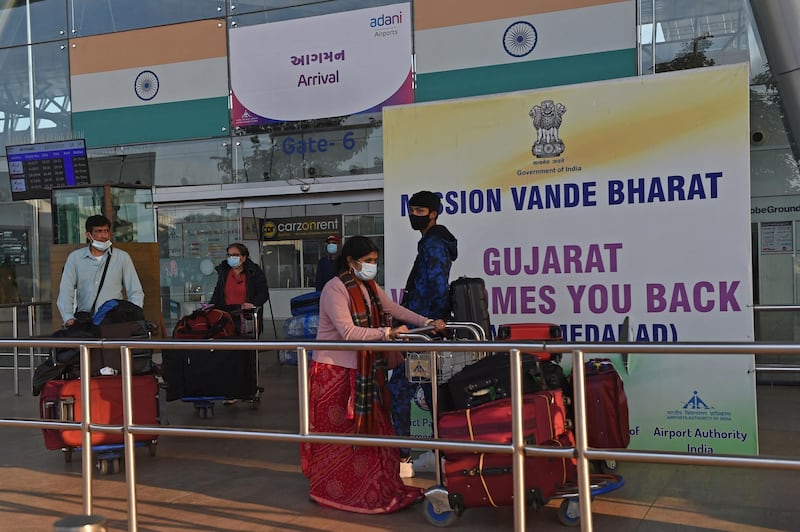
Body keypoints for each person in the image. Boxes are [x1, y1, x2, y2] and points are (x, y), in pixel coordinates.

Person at [301, 235, 446, 514]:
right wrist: (387, 333)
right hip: (335, 373)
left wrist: (426, 322)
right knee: (341, 437)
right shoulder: (335, 289)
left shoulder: (368, 286)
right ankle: (330, 490)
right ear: (351, 261)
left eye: (375, 262)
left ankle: (374, 486)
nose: (372, 266)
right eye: (368, 262)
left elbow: (394, 309)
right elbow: (348, 332)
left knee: (371, 432)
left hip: (364, 371)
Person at [390, 190, 458, 477]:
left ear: (433, 213)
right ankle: (444, 454)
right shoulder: (432, 242)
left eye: (420, 211)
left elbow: (436, 285)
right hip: (422, 327)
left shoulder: (433, 244)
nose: (413, 215)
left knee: (400, 390)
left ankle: (403, 458)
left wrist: (432, 321)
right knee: (432, 392)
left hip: (423, 331)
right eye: (411, 210)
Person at [57, 214, 145, 327]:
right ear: (88, 235)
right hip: (85, 322)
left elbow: (135, 291)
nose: (104, 236)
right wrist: (68, 317)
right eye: (99, 231)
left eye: (106, 231)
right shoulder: (75, 258)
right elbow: (66, 291)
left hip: (114, 321)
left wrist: (132, 315)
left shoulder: (122, 257)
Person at [209, 243, 269, 335]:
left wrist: (252, 303)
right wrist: (209, 307)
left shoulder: (254, 272)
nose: (231, 257)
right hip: (226, 317)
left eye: (235, 255)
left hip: (246, 317)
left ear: (244, 257)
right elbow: (217, 293)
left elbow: (263, 294)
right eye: (229, 255)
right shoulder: (224, 273)